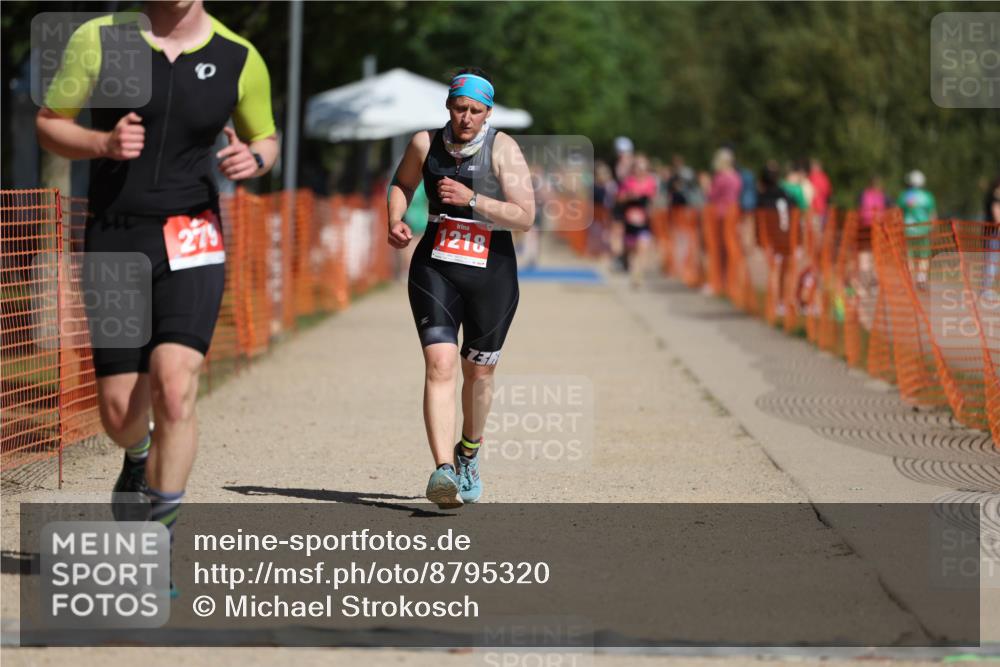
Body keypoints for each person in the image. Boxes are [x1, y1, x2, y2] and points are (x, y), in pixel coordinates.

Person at [36, 1, 278, 560]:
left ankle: (157, 541)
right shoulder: (102, 40)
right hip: (116, 238)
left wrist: (256, 160)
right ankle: (137, 454)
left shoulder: (238, 55)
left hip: (193, 236)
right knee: (120, 415)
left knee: (174, 386)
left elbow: (266, 136)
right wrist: (100, 144)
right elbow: (49, 123)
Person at [386, 68, 534, 508]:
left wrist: (472, 200)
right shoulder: (423, 143)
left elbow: (525, 217)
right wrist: (394, 218)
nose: (466, 117)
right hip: (435, 265)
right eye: (458, 107)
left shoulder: (502, 148)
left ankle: (467, 453)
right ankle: (443, 472)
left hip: (492, 271)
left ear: (488, 112)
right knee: (440, 363)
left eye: (475, 110)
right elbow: (401, 184)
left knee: (479, 373)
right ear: (448, 106)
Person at [617, 153, 658, 289]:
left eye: (643, 167)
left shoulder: (651, 182)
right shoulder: (628, 182)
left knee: (643, 248)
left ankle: (638, 274)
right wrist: (630, 196)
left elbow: (654, 200)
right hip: (630, 221)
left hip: (644, 221)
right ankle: (631, 266)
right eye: (638, 167)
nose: (641, 170)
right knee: (632, 249)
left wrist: (652, 208)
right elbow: (620, 199)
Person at [897, 169, 937, 286]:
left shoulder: (904, 196)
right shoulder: (928, 196)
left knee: (909, 254)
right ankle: (921, 278)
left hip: (908, 230)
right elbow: (932, 215)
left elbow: (898, 214)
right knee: (924, 254)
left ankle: (910, 277)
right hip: (924, 229)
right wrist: (933, 229)